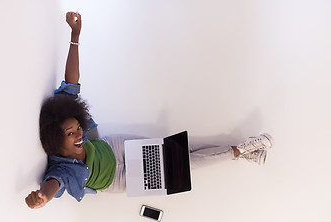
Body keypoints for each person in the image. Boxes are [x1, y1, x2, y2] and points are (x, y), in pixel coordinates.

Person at [25, 12, 274, 209]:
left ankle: (241, 152)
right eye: (71, 134)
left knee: (179, 149)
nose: (79, 134)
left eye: (78, 128)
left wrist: (75, 35)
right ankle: (241, 150)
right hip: (118, 180)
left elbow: (71, 82)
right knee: (183, 168)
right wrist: (42, 199)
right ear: (56, 139)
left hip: (115, 147)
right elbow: (52, 185)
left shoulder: (65, 113)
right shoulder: (61, 170)